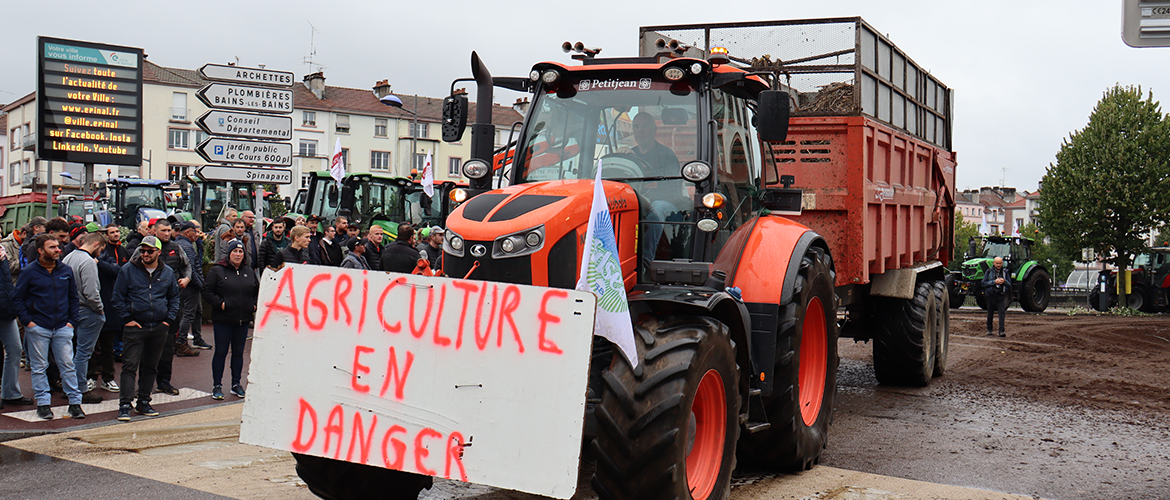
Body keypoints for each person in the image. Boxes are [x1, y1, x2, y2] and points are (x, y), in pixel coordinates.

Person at [13, 234, 85, 420]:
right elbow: (18, 298)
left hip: (62, 326)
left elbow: (73, 298)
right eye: (52, 247)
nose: (58, 250)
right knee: (39, 367)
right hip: (39, 327)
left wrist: (71, 322)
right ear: (40, 250)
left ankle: (75, 403)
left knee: (67, 365)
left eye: (58, 246)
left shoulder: (65, 270)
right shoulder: (29, 272)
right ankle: (44, 404)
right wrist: (29, 321)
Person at [112, 235, 180, 421]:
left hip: (158, 326)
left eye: (150, 251)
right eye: (143, 250)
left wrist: (168, 319)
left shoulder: (166, 272)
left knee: (150, 367)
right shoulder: (128, 270)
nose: (145, 254)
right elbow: (117, 297)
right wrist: (127, 319)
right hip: (135, 326)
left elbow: (174, 297)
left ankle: (143, 401)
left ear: (158, 252)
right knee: (129, 366)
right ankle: (125, 405)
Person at [203, 240, 258, 400]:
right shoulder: (217, 271)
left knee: (238, 353)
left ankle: (236, 384)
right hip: (223, 320)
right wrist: (220, 303)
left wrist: (254, 304)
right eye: (235, 252)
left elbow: (257, 290)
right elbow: (206, 291)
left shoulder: (249, 271)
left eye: (240, 252)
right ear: (229, 253)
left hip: (243, 320)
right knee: (221, 352)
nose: (238, 255)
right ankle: (217, 386)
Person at [148, 220, 196, 399]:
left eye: (169, 230)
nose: (167, 233)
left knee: (168, 345)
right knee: (148, 346)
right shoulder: (146, 247)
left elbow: (187, 266)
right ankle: (145, 384)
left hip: (172, 301)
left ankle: (164, 381)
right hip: (150, 303)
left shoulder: (176, 247)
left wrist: (187, 279)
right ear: (155, 231)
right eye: (163, 230)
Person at [60, 232, 107, 404]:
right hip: (87, 310)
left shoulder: (68, 257)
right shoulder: (88, 262)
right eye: (101, 249)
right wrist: (100, 310)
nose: (100, 253)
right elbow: (91, 292)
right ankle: (80, 388)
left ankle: (68, 386)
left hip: (70, 310)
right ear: (96, 244)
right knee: (83, 352)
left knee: (70, 352)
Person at [95, 224, 131, 393]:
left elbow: (118, 270)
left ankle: (108, 378)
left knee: (108, 344)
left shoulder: (112, 254)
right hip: (92, 307)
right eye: (113, 232)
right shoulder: (82, 258)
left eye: (117, 231)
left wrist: (99, 262)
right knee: (91, 346)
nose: (116, 234)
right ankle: (90, 376)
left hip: (109, 303)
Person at [0, 244, 31, 407]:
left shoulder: (2, 255)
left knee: (15, 348)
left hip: (5, 309)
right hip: (5, 307)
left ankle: (10, 392)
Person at [175, 222, 210, 350]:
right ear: (187, 232)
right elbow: (191, 268)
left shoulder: (183, 244)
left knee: (196, 312)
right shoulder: (186, 246)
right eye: (195, 231)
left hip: (189, 284)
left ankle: (196, 338)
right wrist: (200, 284)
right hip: (190, 286)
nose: (197, 234)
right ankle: (181, 341)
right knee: (189, 313)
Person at [983, 256, 1012, 337]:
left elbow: (1010, 284)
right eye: (997, 263)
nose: (998, 265)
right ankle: (989, 329)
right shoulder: (989, 271)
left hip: (1001, 295)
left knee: (1002, 313)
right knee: (990, 312)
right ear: (993, 263)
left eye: (1000, 263)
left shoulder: (1005, 272)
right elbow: (983, 283)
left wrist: (1004, 281)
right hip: (991, 294)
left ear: (1002, 263)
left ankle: (1001, 331)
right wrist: (994, 282)